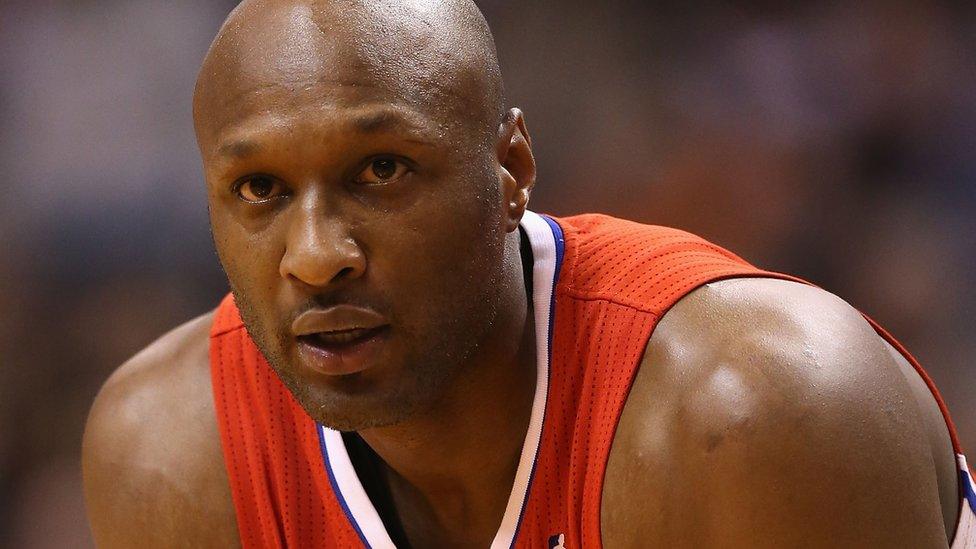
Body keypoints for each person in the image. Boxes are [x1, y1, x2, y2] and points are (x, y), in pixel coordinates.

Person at [81, 0, 976, 547]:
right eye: (260, 189)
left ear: (510, 170)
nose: (317, 254)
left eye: (382, 170)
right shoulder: (171, 453)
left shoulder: (758, 410)